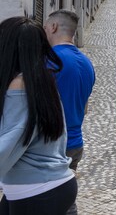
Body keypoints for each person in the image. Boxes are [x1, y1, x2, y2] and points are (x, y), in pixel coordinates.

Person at [0, 17, 77, 214]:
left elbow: (8, 143)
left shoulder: (20, 85)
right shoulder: (41, 80)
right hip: (51, 185)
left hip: (36, 192)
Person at [44, 10, 95, 215]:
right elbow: (84, 107)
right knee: (64, 202)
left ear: (54, 27)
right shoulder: (87, 64)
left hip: (51, 145)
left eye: (46, 28)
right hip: (75, 145)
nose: (45, 33)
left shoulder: (50, 60)